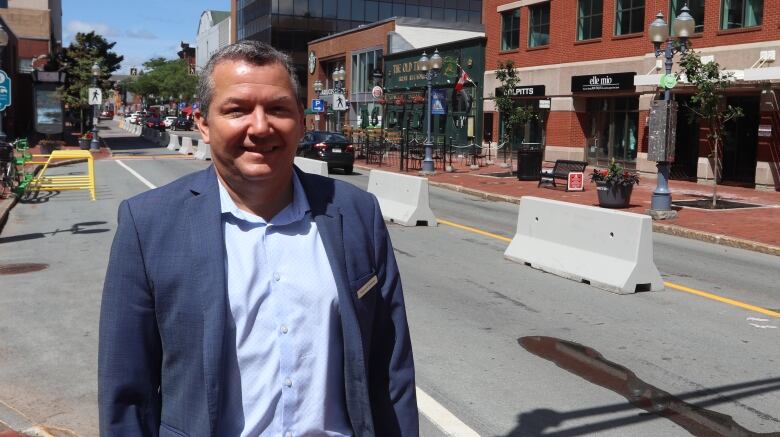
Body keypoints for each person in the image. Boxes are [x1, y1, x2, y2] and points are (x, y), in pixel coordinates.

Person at [98, 40, 418, 436]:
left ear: (302, 120)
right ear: (203, 122)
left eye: (279, 109)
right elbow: (127, 391)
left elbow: (390, 368)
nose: (261, 126)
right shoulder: (146, 223)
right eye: (237, 109)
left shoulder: (357, 213)